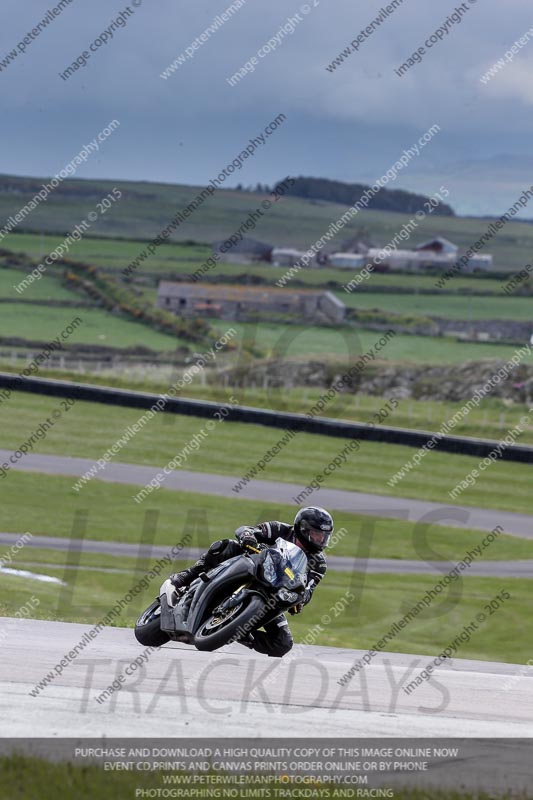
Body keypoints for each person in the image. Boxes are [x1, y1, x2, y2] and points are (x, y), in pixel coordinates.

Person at [170, 506, 334, 658]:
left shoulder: (319, 564)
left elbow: (308, 590)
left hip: (273, 594)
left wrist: (301, 601)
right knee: (227, 546)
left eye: (324, 536)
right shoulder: (279, 529)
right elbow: (247, 530)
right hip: (251, 567)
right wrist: (248, 537)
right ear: (303, 530)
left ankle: (235, 631)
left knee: (283, 644)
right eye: (317, 535)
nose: (321, 540)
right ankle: (188, 575)